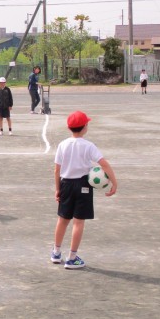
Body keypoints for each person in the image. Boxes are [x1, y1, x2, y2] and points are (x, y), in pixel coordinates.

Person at [51, 111, 117, 269]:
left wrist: (58, 189)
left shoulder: (63, 144)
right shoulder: (89, 145)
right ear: (85, 126)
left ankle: (56, 253)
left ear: (69, 127)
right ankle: (72, 258)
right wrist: (114, 182)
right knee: (78, 221)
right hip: (83, 185)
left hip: (66, 184)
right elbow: (104, 164)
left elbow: (57, 170)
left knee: (62, 219)